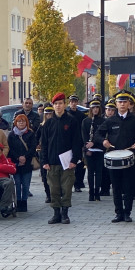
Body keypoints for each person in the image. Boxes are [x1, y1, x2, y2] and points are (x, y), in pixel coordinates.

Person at [98, 92, 135, 223]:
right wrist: (104, 141)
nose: (122, 104)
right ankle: (118, 212)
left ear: (129, 104)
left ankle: (127, 213)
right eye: (120, 102)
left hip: (130, 157)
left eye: (125, 102)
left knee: (128, 186)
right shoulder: (110, 120)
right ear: (116, 104)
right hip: (114, 158)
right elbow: (98, 134)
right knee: (116, 187)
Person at [39, 93, 82, 224]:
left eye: (60, 103)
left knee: (67, 188)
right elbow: (44, 144)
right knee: (54, 189)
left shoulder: (71, 121)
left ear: (65, 104)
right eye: (56, 104)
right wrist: (44, 161)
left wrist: (75, 160)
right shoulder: (48, 123)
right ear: (53, 106)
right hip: (52, 162)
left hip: (67, 163)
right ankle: (56, 213)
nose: (58, 106)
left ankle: (65, 214)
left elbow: (77, 142)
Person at [8, 113, 37, 212]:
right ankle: (18, 202)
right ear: (16, 123)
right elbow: (10, 149)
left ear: (26, 123)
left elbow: (33, 148)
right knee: (17, 183)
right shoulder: (12, 134)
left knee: (25, 184)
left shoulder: (30, 133)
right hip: (16, 163)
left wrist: (25, 157)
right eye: (19, 121)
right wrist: (17, 157)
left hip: (27, 163)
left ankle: (24, 202)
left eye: (23, 121)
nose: (21, 123)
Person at [81, 99, 105, 201]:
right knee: (90, 172)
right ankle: (91, 192)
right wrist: (87, 149)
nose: (95, 110)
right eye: (93, 108)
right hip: (89, 150)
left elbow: (103, 135)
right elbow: (83, 136)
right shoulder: (86, 121)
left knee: (99, 172)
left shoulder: (103, 121)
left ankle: (97, 191)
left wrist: (94, 143)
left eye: (97, 108)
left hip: (99, 149)